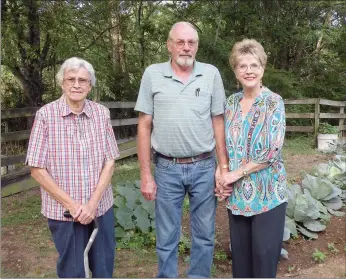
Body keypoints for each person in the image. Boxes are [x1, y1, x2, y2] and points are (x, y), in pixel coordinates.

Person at [135, 22, 228, 278]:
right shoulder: (152, 74)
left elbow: (218, 121)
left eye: (191, 43)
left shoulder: (211, 74)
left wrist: (223, 167)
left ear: (197, 46)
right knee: (166, 237)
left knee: (204, 236)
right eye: (180, 42)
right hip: (166, 168)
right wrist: (146, 175)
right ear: (169, 45)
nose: (186, 47)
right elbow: (144, 125)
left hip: (204, 167)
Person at [26, 57, 119, 278]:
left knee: (104, 268)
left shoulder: (101, 114)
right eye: (71, 79)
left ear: (90, 85)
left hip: (100, 208)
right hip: (64, 213)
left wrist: (92, 204)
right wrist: (74, 206)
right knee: (72, 271)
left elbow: (110, 160)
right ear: (62, 83)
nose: (76, 84)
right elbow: (37, 168)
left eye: (83, 80)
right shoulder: (46, 116)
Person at [215, 39, 287, 278]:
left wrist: (234, 174)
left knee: (264, 262)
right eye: (242, 66)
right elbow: (222, 143)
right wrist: (221, 173)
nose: (249, 71)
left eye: (254, 65)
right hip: (238, 198)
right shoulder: (231, 103)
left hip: (268, 195)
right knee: (241, 265)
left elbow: (271, 152)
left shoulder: (273, 102)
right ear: (235, 71)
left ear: (263, 69)